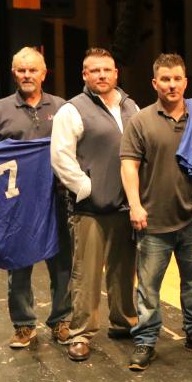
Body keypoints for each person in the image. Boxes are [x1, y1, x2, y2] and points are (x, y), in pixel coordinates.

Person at [120, 53, 192, 370]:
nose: (172, 84)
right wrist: (135, 205)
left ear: (185, 81)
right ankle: (146, 341)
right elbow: (129, 166)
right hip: (153, 220)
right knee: (149, 288)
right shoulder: (141, 121)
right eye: (165, 79)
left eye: (177, 78)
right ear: (155, 83)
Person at [0, 47, 73, 349]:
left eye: (33, 70)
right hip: (16, 202)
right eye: (22, 70)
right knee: (18, 264)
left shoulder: (63, 107)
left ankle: (61, 320)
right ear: (13, 73)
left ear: (45, 73)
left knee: (62, 263)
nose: (27, 75)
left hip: (56, 198)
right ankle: (23, 324)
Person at [51, 47, 139, 362]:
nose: (102, 75)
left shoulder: (131, 107)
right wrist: (85, 187)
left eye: (107, 70)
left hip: (125, 205)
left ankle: (124, 322)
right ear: (85, 75)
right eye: (94, 70)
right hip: (90, 208)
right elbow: (61, 157)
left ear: (116, 73)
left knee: (123, 270)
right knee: (85, 275)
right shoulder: (72, 110)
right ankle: (81, 334)